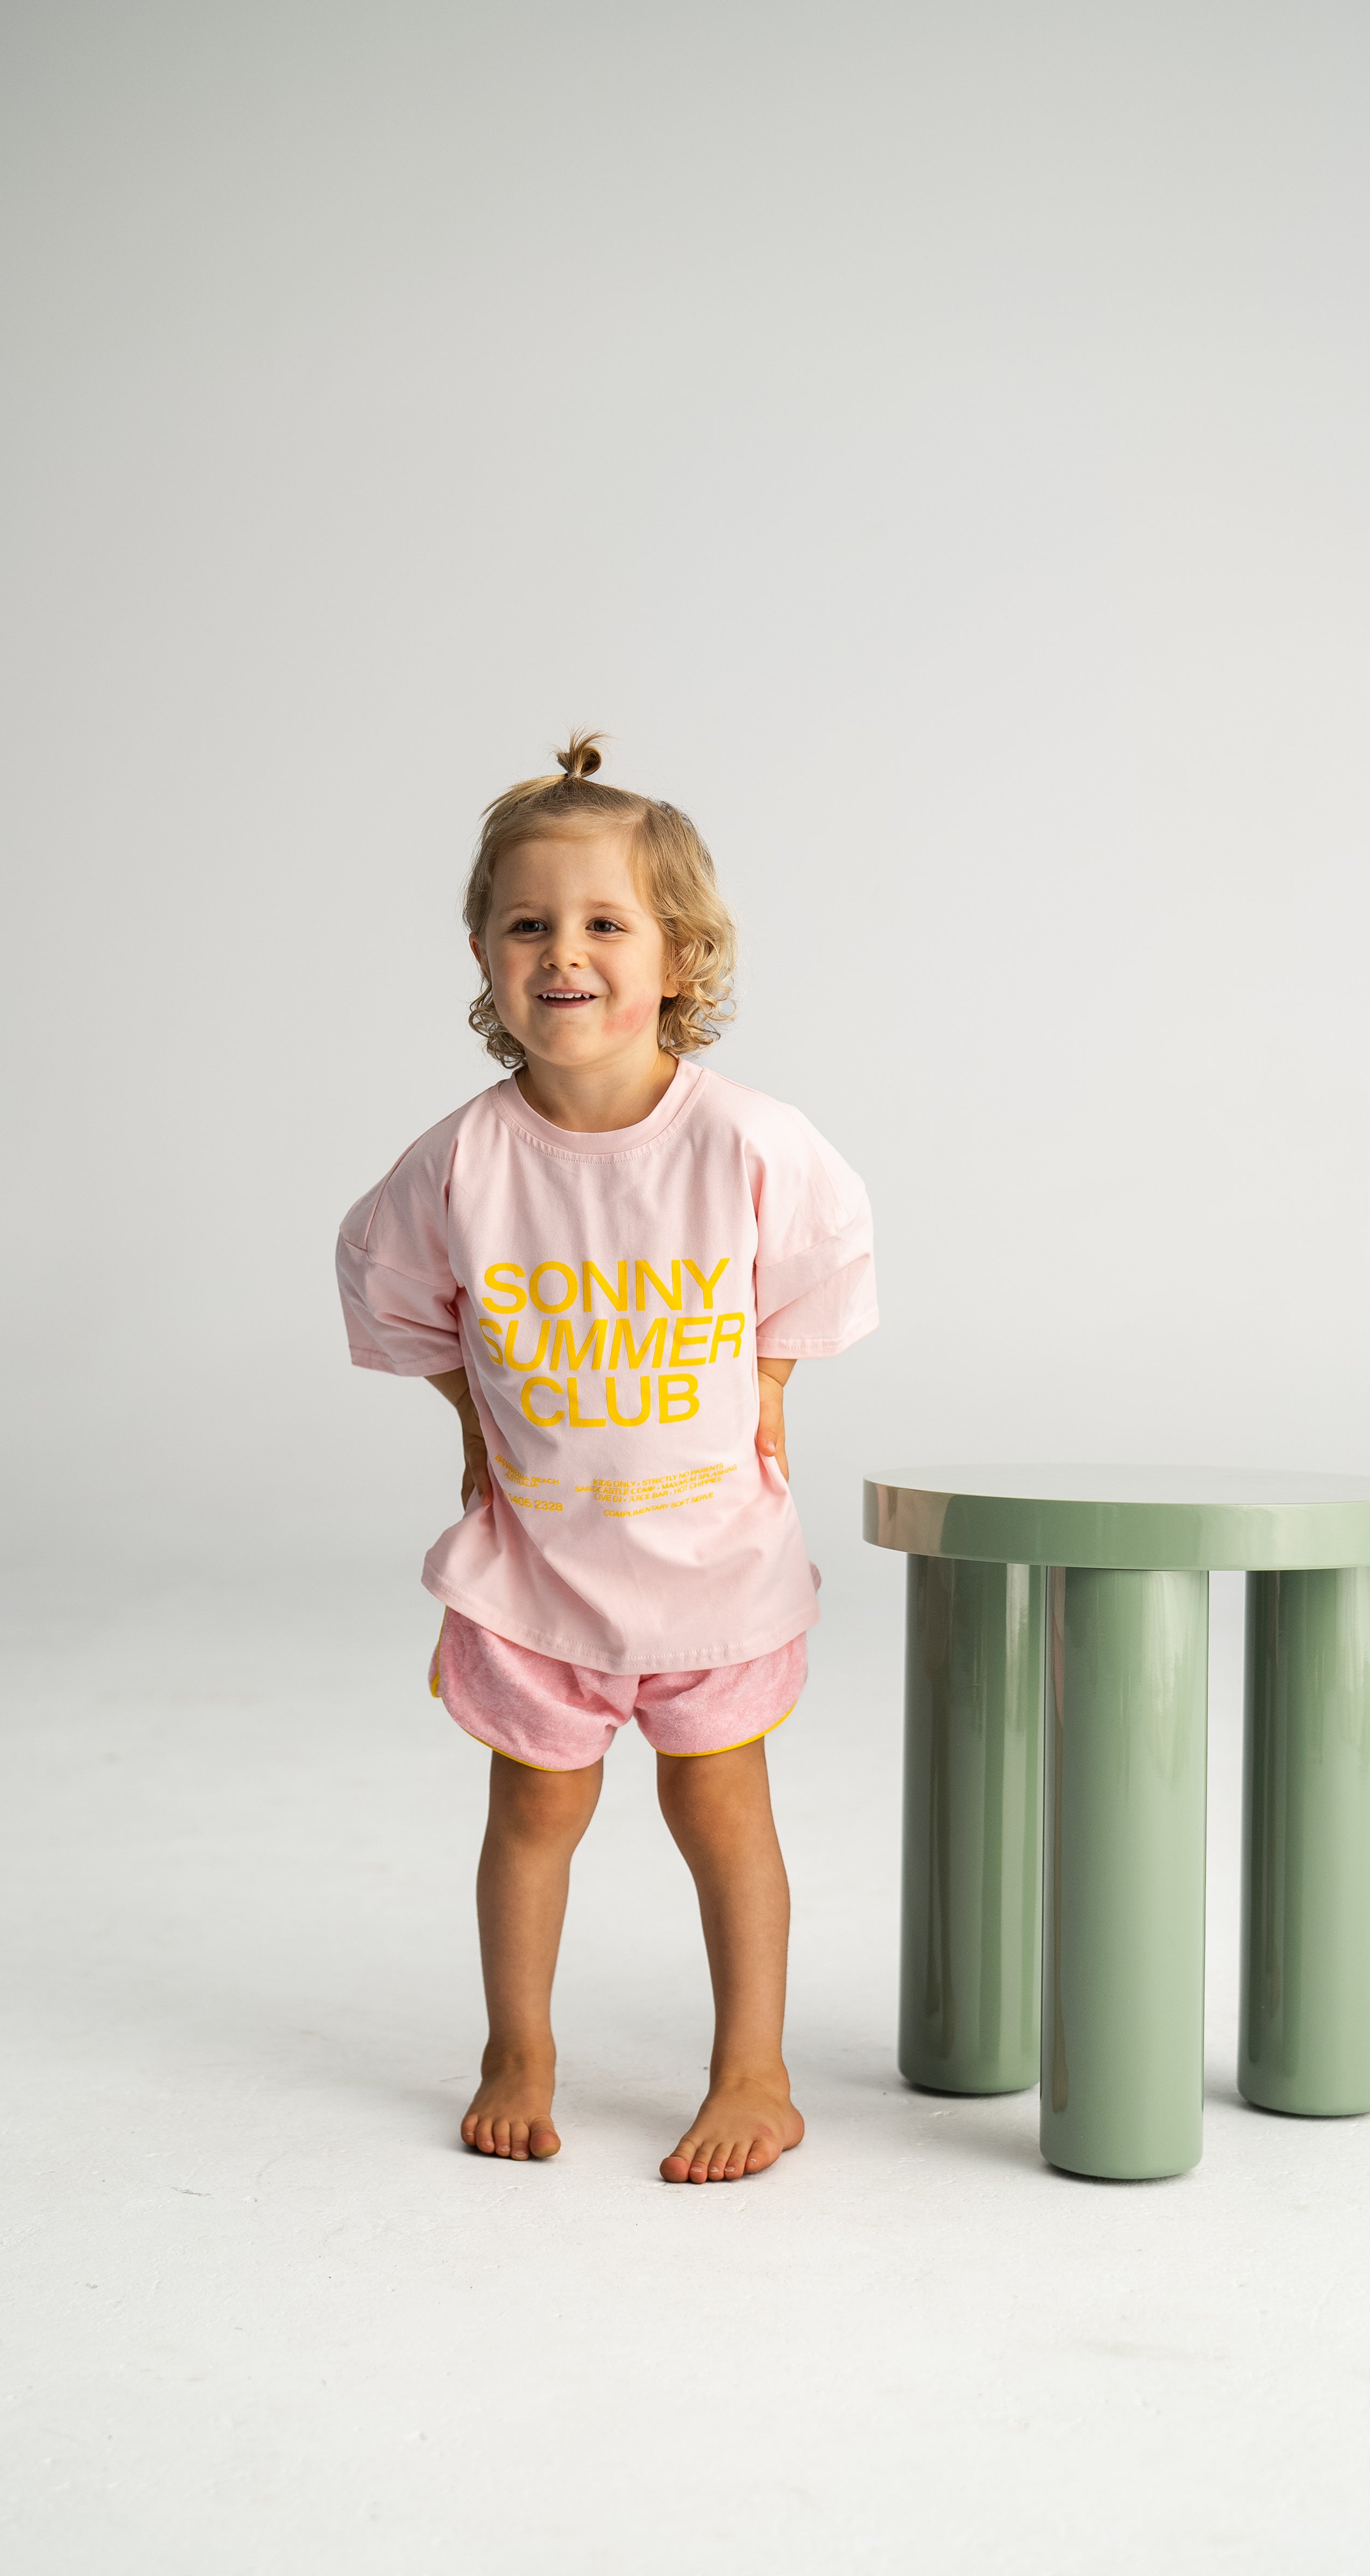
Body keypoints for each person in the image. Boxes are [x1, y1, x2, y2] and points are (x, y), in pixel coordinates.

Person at [336, 735, 875, 2182]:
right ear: (482, 952)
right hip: (539, 1570)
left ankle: (751, 2069)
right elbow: (392, 1287)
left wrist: (765, 1387)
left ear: (682, 957)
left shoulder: (752, 1144)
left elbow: (817, 1271)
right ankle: (519, 2047)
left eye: (603, 924)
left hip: (717, 1565)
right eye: (530, 924)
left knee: (722, 1803)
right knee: (536, 1808)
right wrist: (472, 1422)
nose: (563, 953)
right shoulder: (460, 1164)